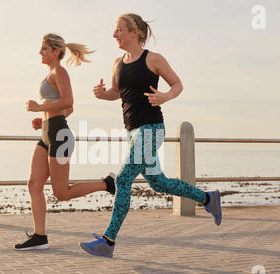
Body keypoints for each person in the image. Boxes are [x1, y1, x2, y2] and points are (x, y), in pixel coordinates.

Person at [79, 14, 222, 258]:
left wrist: (165, 96)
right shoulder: (118, 62)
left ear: (134, 33)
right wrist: (103, 94)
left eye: (119, 30)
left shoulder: (153, 59)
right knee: (160, 183)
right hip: (132, 130)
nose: (114, 35)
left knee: (123, 180)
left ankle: (108, 242)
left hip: (151, 129)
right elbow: (117, 92)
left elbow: (177, 84)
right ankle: (208, 199)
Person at [15, 33, 116, 250]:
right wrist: (41, 119)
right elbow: (65, 108)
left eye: (44, 49)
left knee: (61, 193)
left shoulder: (60, 71)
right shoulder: (50, 73)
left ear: (56, 51)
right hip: (48, 133)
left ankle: (107, 184)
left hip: (59, 136)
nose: (40, 52)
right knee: (34, 184)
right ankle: (39, 237)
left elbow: (69, 101)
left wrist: (40, 108)